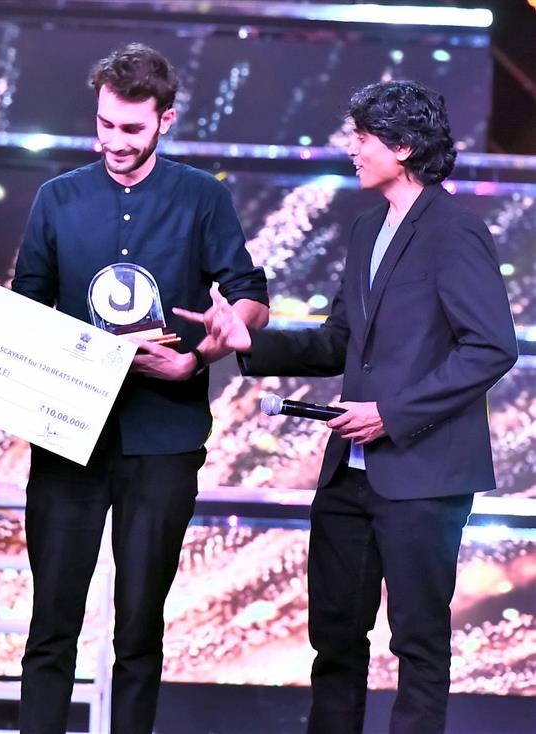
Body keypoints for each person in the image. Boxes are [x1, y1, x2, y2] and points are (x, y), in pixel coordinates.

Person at [180, 80, 518, 734]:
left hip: (424, 474)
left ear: (405, 145)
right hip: (348, 477)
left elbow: (490, 348)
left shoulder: (455, 229)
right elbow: (341, 340)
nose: (352, 149)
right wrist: (251, 341)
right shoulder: (367, 229)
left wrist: (392, 413)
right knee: (335, 638)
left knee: (418, 642)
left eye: (363, 138)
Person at [10, 43, 269, 733]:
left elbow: (248, 296)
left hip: (164, 439)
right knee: (50, 628)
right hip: (67, 437)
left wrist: (212, 346)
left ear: (166, 120)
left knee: (140, 631)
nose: (113, 142)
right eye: (103, 125)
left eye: (130, 129)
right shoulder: (56, 198)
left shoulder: (202, 198)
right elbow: (25, 307)